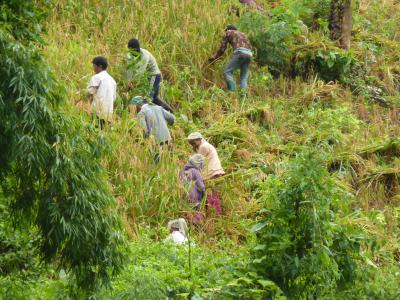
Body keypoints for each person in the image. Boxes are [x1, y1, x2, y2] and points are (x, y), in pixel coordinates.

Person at [126, 38, 173, 113]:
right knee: (154, 98)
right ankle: (169, 111)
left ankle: (162, 114)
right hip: (148, 77)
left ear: (137, 49)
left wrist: (133, 83)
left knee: (148, 98)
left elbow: (140, 71)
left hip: (154, 75)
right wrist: (129, 80)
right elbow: (129, 68)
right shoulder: (129, 54)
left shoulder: (144, 55)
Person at [128, 96, 175, 162]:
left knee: (157, 165)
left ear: (137, 105)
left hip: (155, 143)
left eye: (133, 107)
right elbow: (172, 119)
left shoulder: (141, 113)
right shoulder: (158, 108)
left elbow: (145, 130)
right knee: (170, 163)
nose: (134, 110)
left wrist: (140, 141)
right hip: (168, 140)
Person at [208, 25, 253, 93]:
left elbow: (222, 49)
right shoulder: (243, 34)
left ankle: (232, 91)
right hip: (249, 54)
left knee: (227, 72)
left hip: (240, 53)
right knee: (243, 77)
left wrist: (214, 58)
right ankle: (244, 96)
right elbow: (250, 46)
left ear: (227, 29)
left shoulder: (228, 32)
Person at [87, 56, 117, 129]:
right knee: (104, 133)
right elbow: (114, 98)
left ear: (100, 66)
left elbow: (90, 92)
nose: (93, 68)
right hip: (108, 114)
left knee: (94, 132)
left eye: (94, 66)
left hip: (97, 112)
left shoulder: (97, 77)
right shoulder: (112, 80)